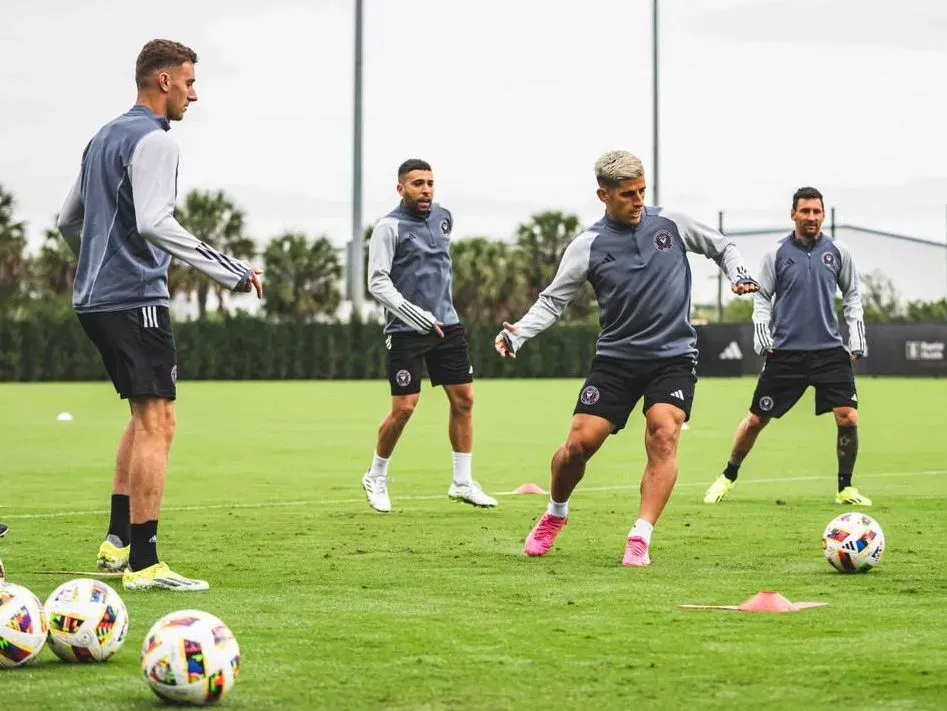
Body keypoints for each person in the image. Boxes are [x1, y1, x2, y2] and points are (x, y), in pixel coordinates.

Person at [57, 39, 263, 591]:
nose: (194, 94)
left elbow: (66, 220)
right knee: (159, 423)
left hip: (95, 300)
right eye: (190, 83)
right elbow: (153, 221)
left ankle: (118, 540)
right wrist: (232, 271)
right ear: (164, 81)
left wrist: (100, 256)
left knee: (141, 417)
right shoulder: (155, 139)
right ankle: (145, 565)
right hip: (136, 299)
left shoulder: (102, 136)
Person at [495, 150, 758, 567]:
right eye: (627, 195)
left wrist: (739, 274)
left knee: (664, 432)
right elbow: (552, 301)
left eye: (642, 192)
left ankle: (641, 535)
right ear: (604, 195)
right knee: (578, 446)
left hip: (673, 356)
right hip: (616, 361)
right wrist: (520, 334)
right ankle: (555, 513)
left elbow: (723, 247)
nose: (638, 201)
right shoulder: (588, 245)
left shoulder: (671, 224)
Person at [703, 187, 870, 506]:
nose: (811, 217)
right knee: (755, 420)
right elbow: (762, 297)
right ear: (793, 214)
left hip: (830, 352)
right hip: (786, 355)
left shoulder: (838, 252)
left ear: (823, 215)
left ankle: (845, 487)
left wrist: (857, 335)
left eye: (817, 212)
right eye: (805, 211)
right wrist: (761, 332)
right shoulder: (776, 254)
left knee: (848, 417)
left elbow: (852, 296)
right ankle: (728, 476)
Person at [361, 159, 496, 513]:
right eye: (418, 183)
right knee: (405, 408)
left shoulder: (444, 217)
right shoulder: (388, 228)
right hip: (406, 328)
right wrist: (414, 314)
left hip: (448, 326)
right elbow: (377, 281)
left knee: (464, 400)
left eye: (430, 183)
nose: (426, 190)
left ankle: (462, 482)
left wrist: (438, 313)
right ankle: (376, 476)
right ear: (400, 188)